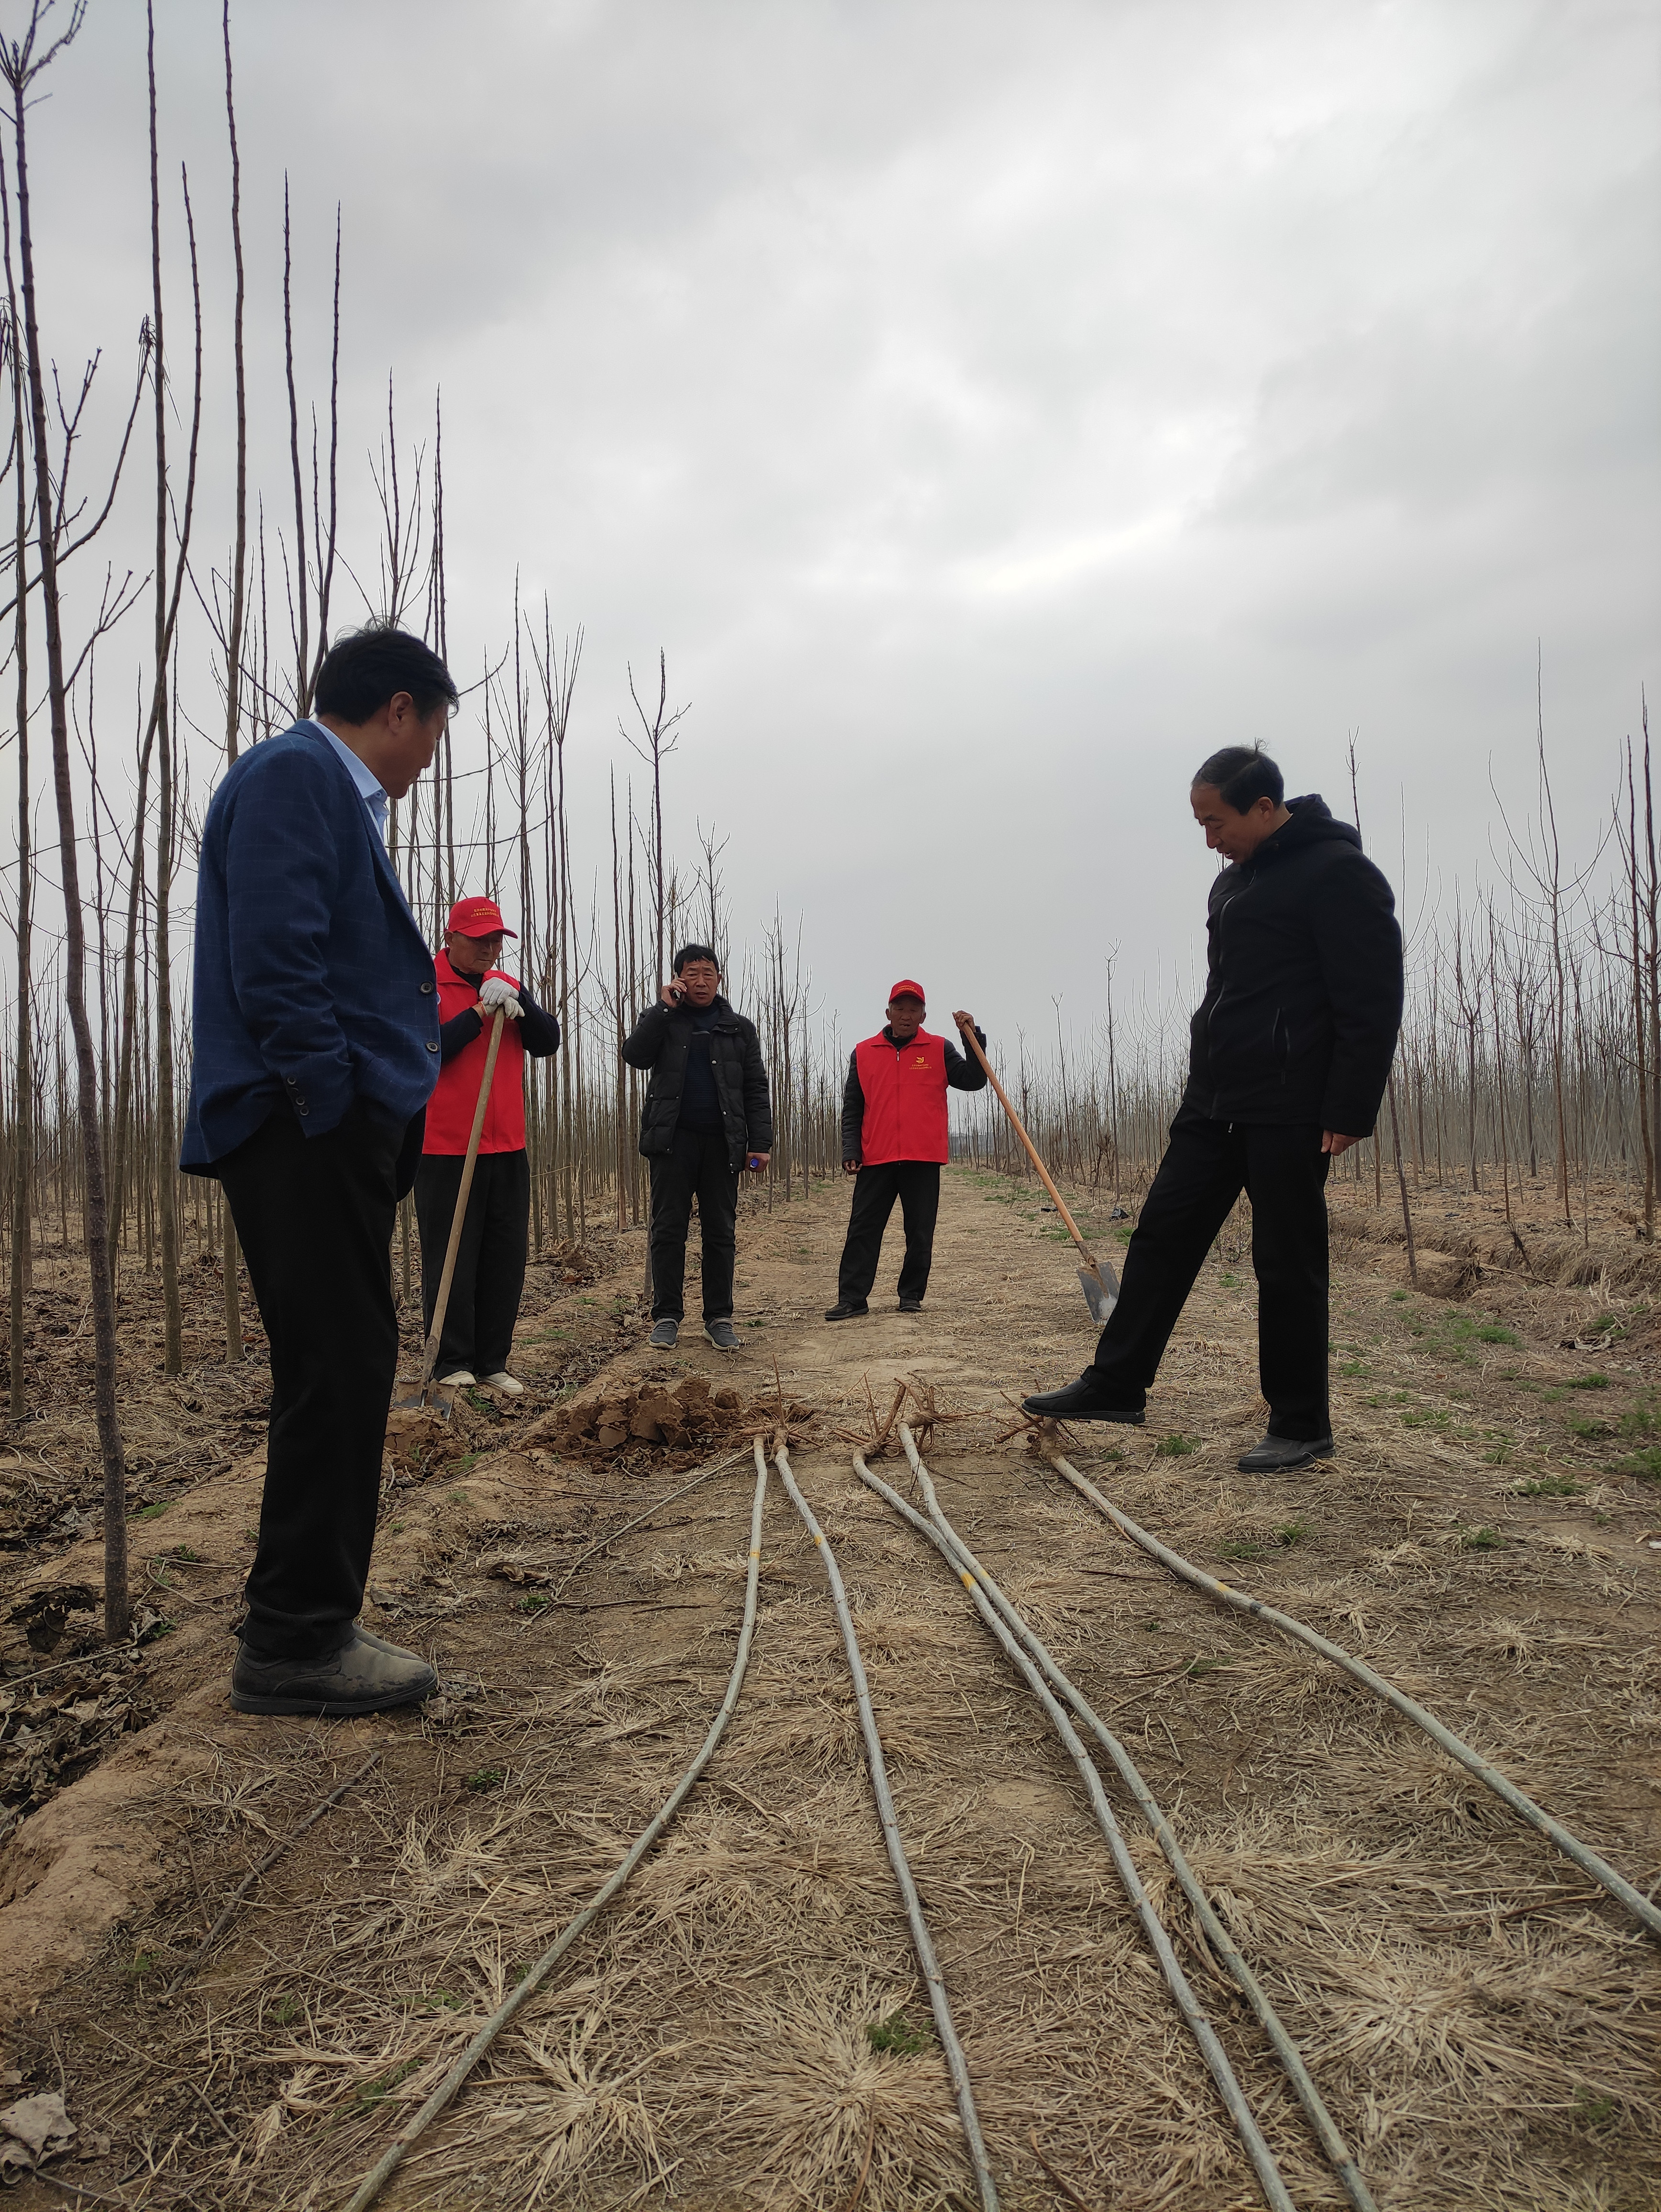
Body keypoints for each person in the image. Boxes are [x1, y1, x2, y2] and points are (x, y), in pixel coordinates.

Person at [182, 626, 458, 1715]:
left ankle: (301, 1617)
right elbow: (278, 961)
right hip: (301, 1125)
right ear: (400, 709)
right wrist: (338, 1104)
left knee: (338, 1360)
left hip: (320, 1125)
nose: (428, 759)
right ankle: (298, 1638)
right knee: (338, 1366)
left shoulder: (320, 788)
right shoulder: (300, 774)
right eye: (433, 735)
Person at [1024, 746, 1403, 1472]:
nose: (1209, 840)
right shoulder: (1232, 885)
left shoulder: (1337, 873)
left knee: (1286, 1261)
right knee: (1162, 1234)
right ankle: (1116, 1383)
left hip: (1291, 1107)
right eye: (1199, 824)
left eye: (1216, 821)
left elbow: (1372, 996)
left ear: (1264, 808)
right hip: (1215, 1103)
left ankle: (1300, 1422)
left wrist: (1351, 1105)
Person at [415, 895, 561, 1394]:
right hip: (445, 1146)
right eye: (479, 939)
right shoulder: (426, 983)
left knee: (504, 1254)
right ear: (450, 937)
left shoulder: (509, 985)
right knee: (452, 1253)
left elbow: (548, 1041)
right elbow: (426, 1048)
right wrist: (479, 1011)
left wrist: (522, 1008)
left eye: (496, 940)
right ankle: (451, 1358)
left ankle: (493, 1358)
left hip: (507, 1143)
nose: (489, 948)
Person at [622, 944, 772, 1350]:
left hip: (723, 1145)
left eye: (708, 973)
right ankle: (667, 1315)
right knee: (668, 1230)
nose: (700, 981)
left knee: (720, 1231)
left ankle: (719, 1317)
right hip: (672, 1143)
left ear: (720, 978)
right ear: (677, 980)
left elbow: (755, 1088)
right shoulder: (662, 1021)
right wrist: (662, 1009)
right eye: (691, 974)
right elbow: (634, 1055)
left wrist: (760, 1144)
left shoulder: (739, 1029)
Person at [824, 981, 987, 1319]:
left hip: (923, 1156)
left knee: (920, 1230)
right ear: (888, 1013)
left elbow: (974, 1079)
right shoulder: (864, 1052)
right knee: (863, 1229)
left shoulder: (940, 1049)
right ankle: (852, 1298)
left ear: (923, 1015)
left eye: (914, 1009)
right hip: (876, 1157)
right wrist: (850, 1148)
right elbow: (853, 1107)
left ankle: (911, 1294)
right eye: (900, 1008)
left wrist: (973, 1039)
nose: (906, 1015)